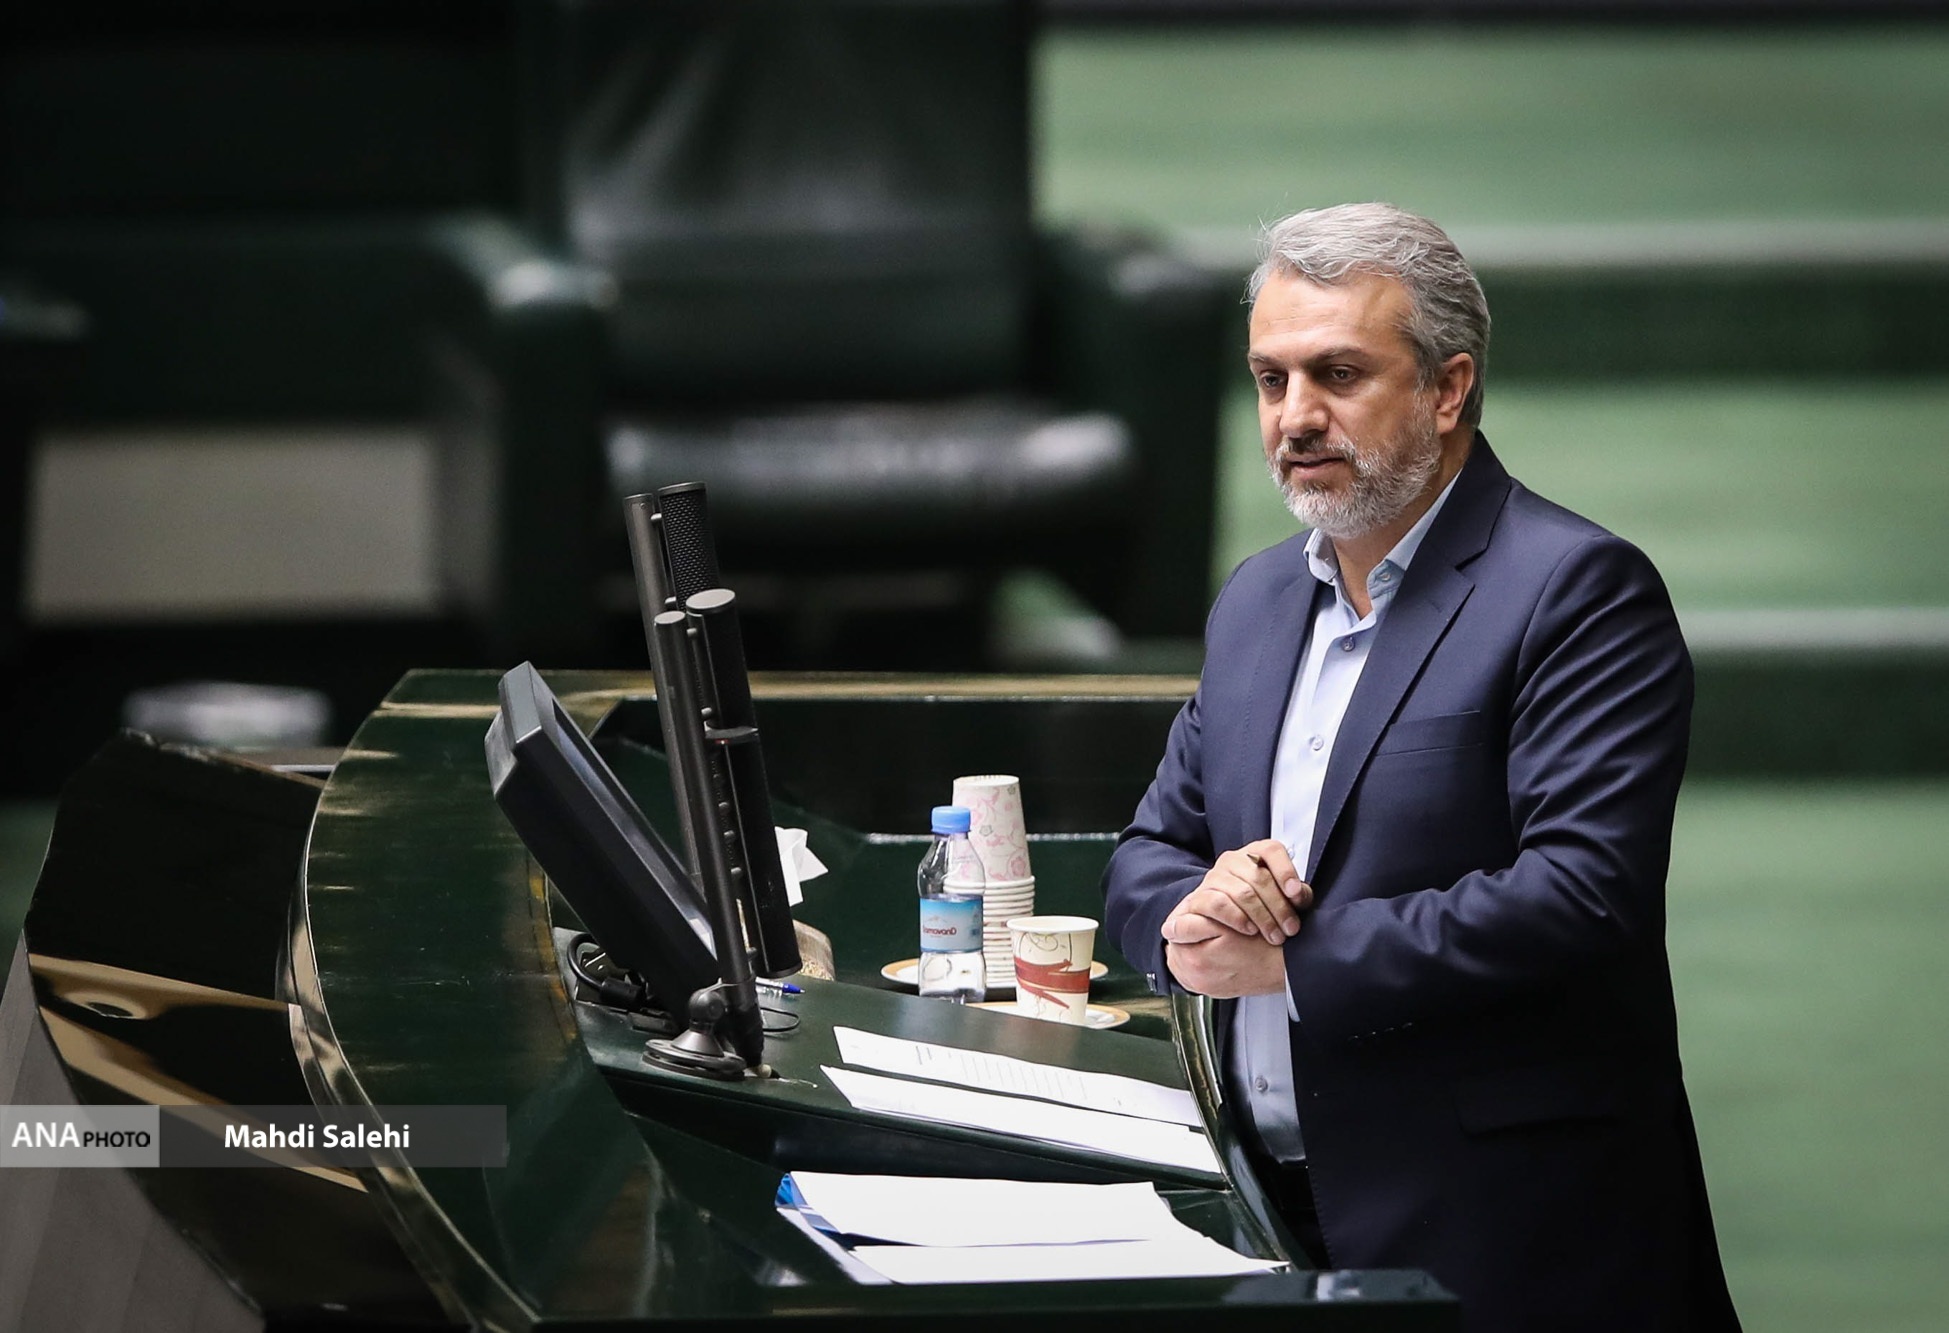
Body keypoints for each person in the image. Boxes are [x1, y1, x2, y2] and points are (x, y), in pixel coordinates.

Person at [1102, 202, 1741, 1332]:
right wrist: (1188, 916)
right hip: (1262, 1209)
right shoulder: (1257, 599)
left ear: (1448, 389)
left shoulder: (1575, 591)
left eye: (1338, 374)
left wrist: (1289, 962)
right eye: (1269, 379)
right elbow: (1150, 850)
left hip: (1507, 1240)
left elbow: (1579, 894)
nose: (1294, 416)